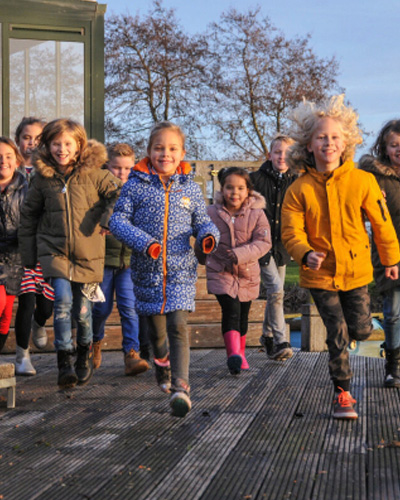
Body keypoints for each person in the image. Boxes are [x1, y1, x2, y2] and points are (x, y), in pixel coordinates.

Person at [281, 95, 400, 420]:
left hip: (357, 272)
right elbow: (291, 232)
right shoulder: (299, 189)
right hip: (319, 276)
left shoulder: (363, 181)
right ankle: (343, 393)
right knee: (336, 335)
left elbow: (381, 223)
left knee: (361, 330)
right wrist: (305, 253)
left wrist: (391, 260)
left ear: (345, 141)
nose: (328, 142)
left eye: (334, 137)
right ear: (308, 144)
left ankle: (355, 332)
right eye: (321, 137)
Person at [109, 121, 219, 418]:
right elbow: (118, 221)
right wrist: (145, 243)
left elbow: (204, 221)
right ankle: (161, 363)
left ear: (182, 153)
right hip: (147, 271)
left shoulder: (191, 189)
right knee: (157, 334)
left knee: (178, 327)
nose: (165, 154)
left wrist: (209, 237)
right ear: (149, 151)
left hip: (181, 269)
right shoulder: (135, 185)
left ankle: (181, 387)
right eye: (159, 148)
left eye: (172, 149)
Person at [19, 119, 122, 389]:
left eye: (67, 144)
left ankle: (83, 354)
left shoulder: (95, 174)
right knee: (62, 303)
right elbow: (29, 216)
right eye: (56, 144)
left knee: (83, 311)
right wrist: (29, 257)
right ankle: (64, 359)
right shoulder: (42, 178)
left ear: (79, 145)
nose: (61, 149)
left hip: (88, 254)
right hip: (55, 252)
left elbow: (119, 194)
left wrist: (108, 218)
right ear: (48, 145)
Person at [197, 167, 270, 375]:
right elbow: (202, 236)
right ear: (222, 189)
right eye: (229, 188)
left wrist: (241, 254)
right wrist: (202, 254)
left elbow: (263, 242)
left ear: (248, 190)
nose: (234, 193)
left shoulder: (257, 214)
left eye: (240, 188)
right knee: (231, 310)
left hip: (247, 273)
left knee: (243, 315)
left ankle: (241, 353)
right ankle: (233, 355)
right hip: (220, 270)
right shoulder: (211, 212)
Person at [92, 143, 149, 376]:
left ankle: (131, 354)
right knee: (100, 310)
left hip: (129, 262)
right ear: (107, 166)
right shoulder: (98, 192)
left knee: (129, 307)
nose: (122, 174)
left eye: (127, 168)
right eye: (117, 168)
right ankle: (94, 343)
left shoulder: (138, 191)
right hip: (103, 260)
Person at [359, 120, 400, 388]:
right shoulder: (374, 177)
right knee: (394, 311)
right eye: (394, 145)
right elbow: (360, 211)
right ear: (385, 148)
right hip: (389, 252)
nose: (399, 149)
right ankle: (393, 367)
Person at [14, 117, 54, 376]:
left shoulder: (49, 173)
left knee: (46, 305)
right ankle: (22, 356)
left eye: (38, 139)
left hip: (47, 247)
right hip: (19, 248)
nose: (31, 143)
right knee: (26, 301)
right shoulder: (10, 171)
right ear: (18, 141)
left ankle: (40, 324)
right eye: (27, 138)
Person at [250, 135, 296, 361]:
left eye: (287, 153)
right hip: (261, 245)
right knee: (276, 290)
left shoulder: (296, 181)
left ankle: (267, 336)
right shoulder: (256, 179)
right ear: (270, 155)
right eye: (278, 152)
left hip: (283, 246)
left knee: (275, 293)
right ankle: (281, 340)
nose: (282, 157)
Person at [0, 137, 28, 359]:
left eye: (8, 156)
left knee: (5, 318)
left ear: (17, 160)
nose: (3, 161)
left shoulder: (27, 189)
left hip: (16, 260)